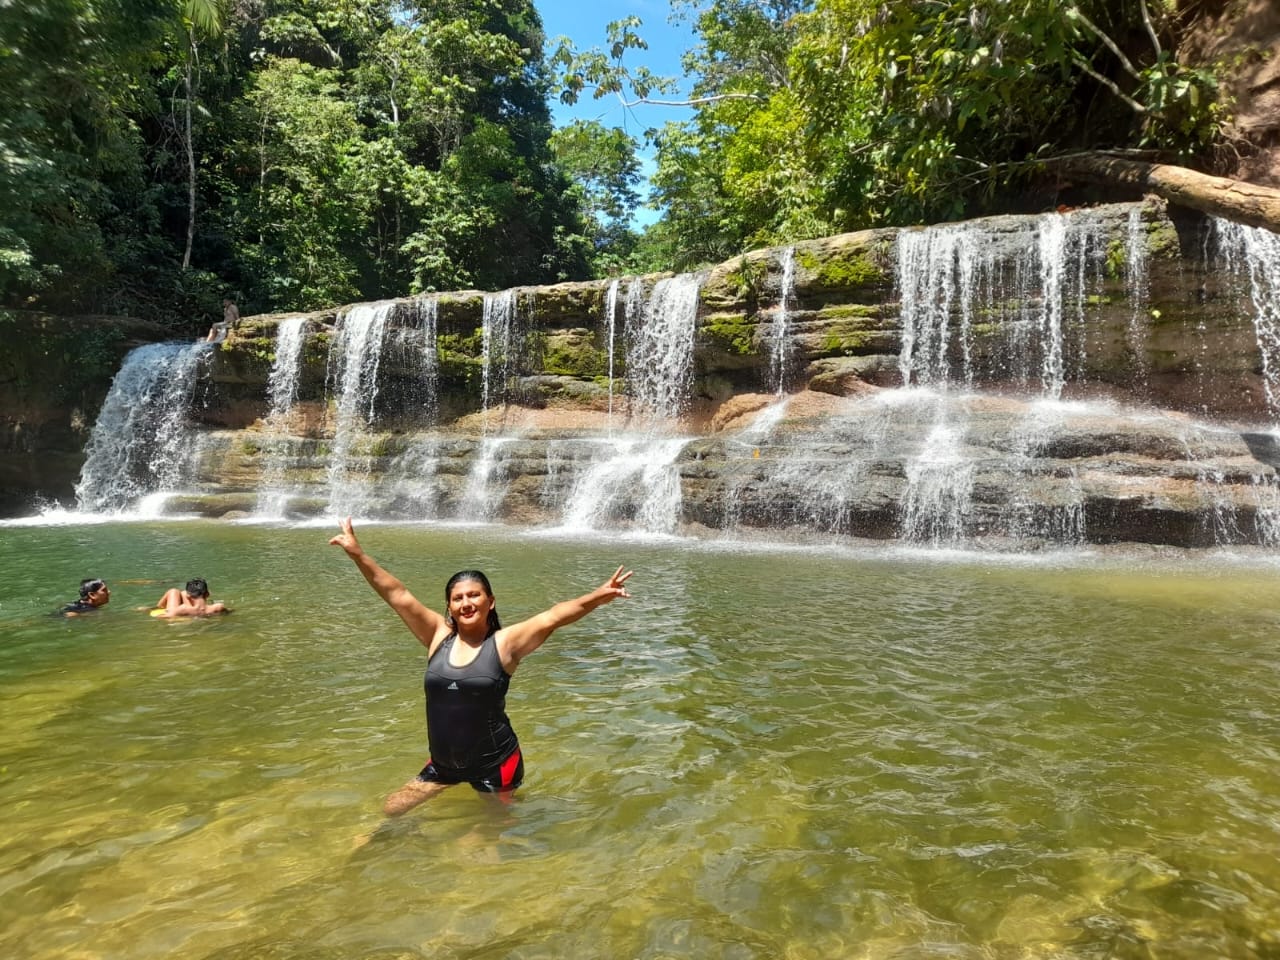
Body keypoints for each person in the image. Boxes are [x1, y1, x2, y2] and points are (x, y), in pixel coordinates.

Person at [328, 516, 633, 817]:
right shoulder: (437, 636)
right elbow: (397, 594)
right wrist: (358, 555)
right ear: (449, 607)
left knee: (488, 835)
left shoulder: (505, 644)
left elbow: (553, 616)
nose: (466, 602)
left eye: (474, 594)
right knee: (392, 809)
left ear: (491, 601)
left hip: (496, 765)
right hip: (443, 765)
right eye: (458, 598)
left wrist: (597, 597)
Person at [153, 578, 229, 618]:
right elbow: (228, 611)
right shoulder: (218, 607)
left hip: (178, 614)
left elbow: (162, 617)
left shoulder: (183, 609)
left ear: (188, 596)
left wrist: (162, 613)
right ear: (207, 594)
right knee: (179, 593)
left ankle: (153, 608)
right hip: (202, 611)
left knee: (174, 591)